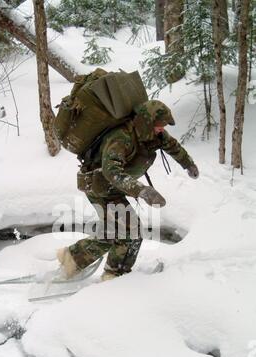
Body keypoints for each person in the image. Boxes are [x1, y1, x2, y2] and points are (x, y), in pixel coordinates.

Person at [57, 100, 199, 281]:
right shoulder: (121, 137)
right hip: (99, 187)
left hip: (113, 187)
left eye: (163, 127)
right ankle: (116, 275)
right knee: (132, 231)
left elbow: (173, 146)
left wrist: (188, 164)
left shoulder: (154, 134)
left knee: (113, 233)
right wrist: (142, 191)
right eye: (159, 126)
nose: (162, 130)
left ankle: (72, 258)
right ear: (147, 122)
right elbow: (111, 171)